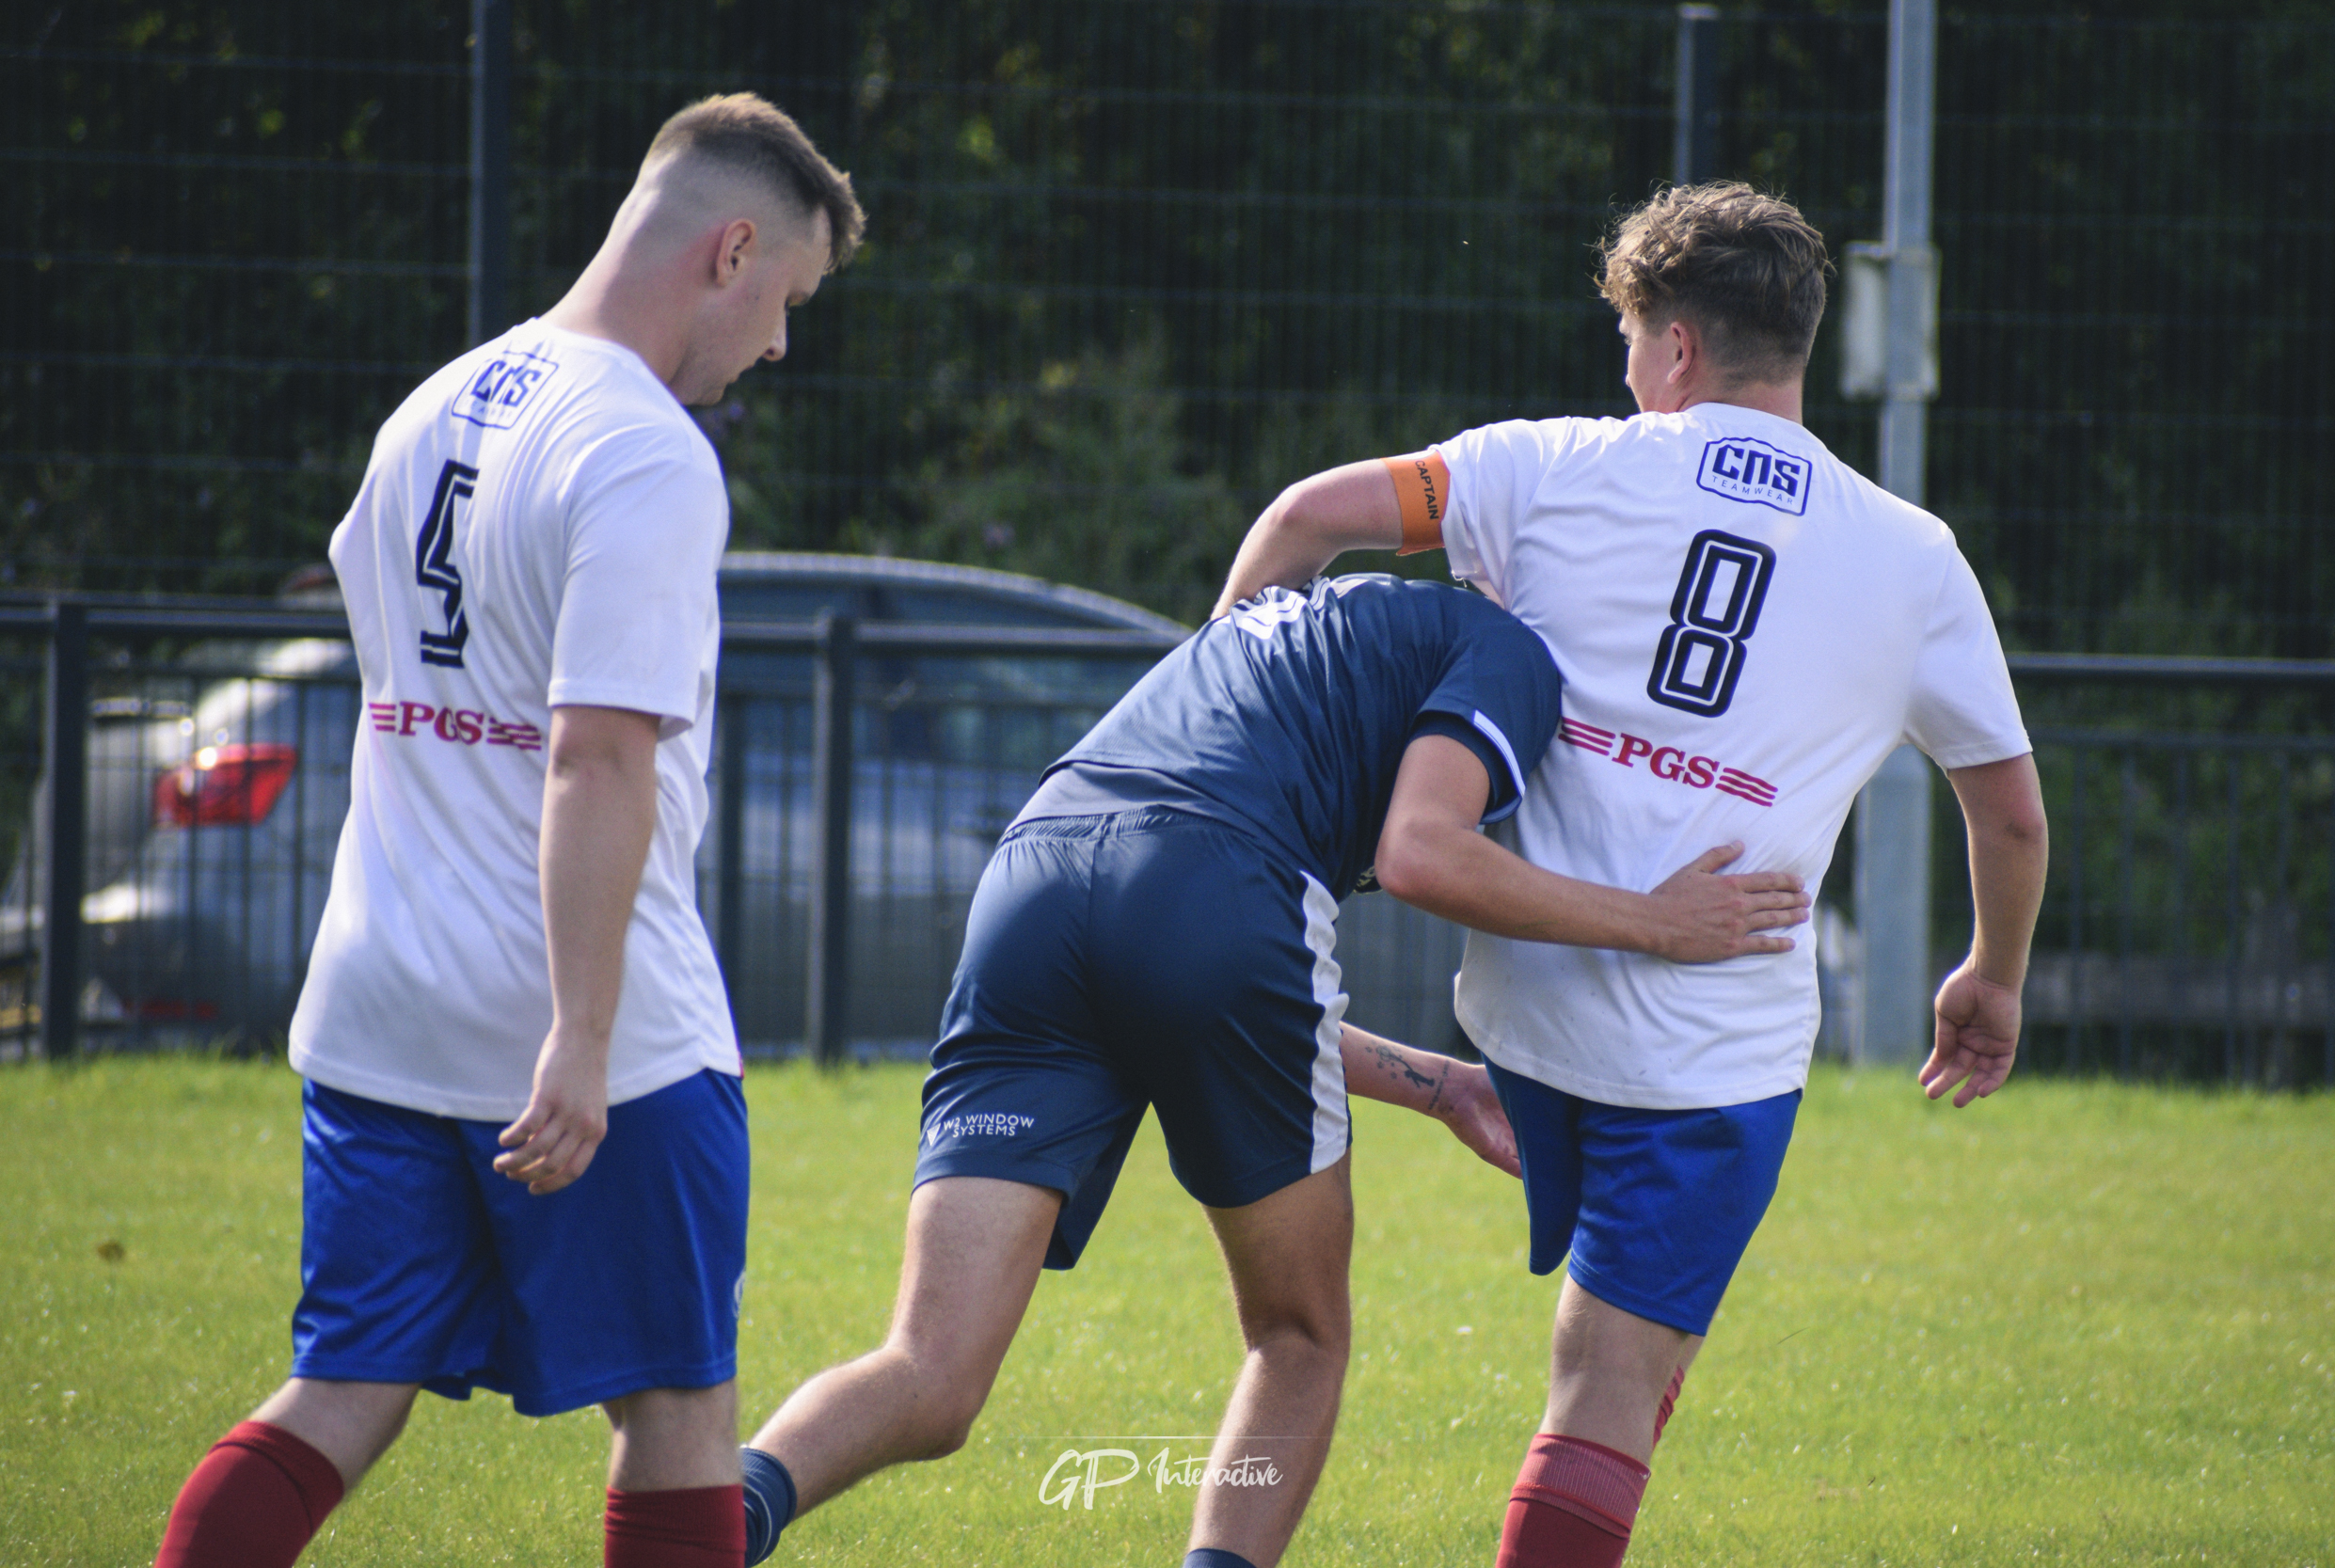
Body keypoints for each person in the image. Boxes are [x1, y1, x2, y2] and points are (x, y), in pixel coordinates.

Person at [1211, 182, 2049, 1568]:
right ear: (1795, 343)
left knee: (1614, 1371)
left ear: (1672, 350)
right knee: (1610, 1386)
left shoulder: (1546, 466)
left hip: (1522, 1023)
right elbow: (2008, 814)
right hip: (1712, 1056)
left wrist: (1226, 747)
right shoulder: (1915, 556)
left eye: (1628, 338)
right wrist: (1992, 975)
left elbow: (1305, 517)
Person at [737, 570, 1813, 1568]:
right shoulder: (1512, 647)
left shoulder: (1316, 617)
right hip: (1212, 879)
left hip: (1035, 873)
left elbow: (1213, 995)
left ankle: (720, 1514)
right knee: (1297, 1336)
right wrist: (1655, 923)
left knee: (928, 1370)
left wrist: (1445, 1087)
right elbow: (1418, 853)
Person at [151, 95, 864, 1568]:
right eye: (787, 299)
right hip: (594, 1031)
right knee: (677, 1404)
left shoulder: (434, 403)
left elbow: (397, 680)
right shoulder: (650, 451)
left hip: (378, 1005)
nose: (780, 342)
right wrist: (582, 1036)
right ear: (731, 250)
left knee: (342, 1385)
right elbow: (596, 758)